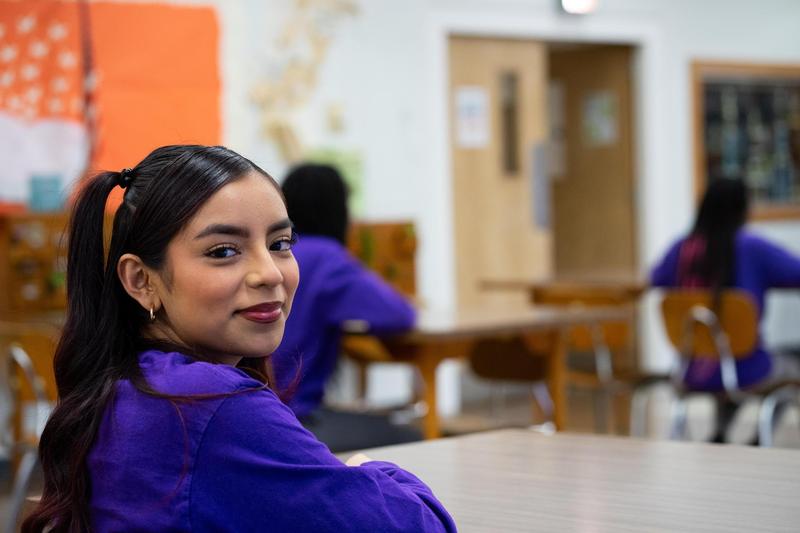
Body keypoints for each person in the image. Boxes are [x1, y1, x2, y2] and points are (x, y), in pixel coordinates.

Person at [22, 146, 456, 532]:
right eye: (224, 251)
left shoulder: (126, 384)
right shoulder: (208, 404)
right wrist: (377, 474)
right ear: (141, 280)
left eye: (281, 243)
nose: (269, 272)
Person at [273, 163, 420, 452]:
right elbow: (400, 315)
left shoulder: (276, 253)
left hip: (258, 407)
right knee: (411, 436)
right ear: (339, 211)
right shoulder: (327, 258)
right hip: (296, 414)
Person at [650, 177, 800, 442]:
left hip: (691, 369)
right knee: (783, 363)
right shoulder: (752, 247)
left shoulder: (682, 249)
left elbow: (654, 278)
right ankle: (756, 439)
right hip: (746, 369)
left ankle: (721, 433)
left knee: (726, 352)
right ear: (743, 209)